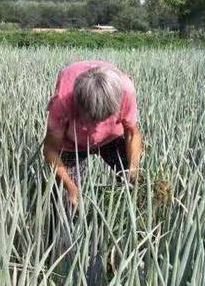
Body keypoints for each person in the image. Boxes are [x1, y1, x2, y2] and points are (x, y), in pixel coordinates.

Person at [43, 61, 143, 207]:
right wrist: (71, 188)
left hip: (112, 138)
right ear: (79, 105)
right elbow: (50, 150)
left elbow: (133, 134)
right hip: (73, 144)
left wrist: (133, 169)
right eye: (91, 119)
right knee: (64, 203)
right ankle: (60, 227)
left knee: (138, 185)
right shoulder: (62, 102)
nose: (95, 128)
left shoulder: (125, 91)